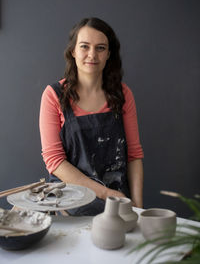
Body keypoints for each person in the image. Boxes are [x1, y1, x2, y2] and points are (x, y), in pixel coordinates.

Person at [39, 17, 144, 215]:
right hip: (70, 201)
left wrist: (138, 209)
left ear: (109, 54)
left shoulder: (123, 95)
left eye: (101, 48)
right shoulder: (54, 95)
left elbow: (134, 155)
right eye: (84, 46)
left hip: (117, 201)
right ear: (73, 51)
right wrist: (104, 193)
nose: (92, 55)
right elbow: (54, 161)